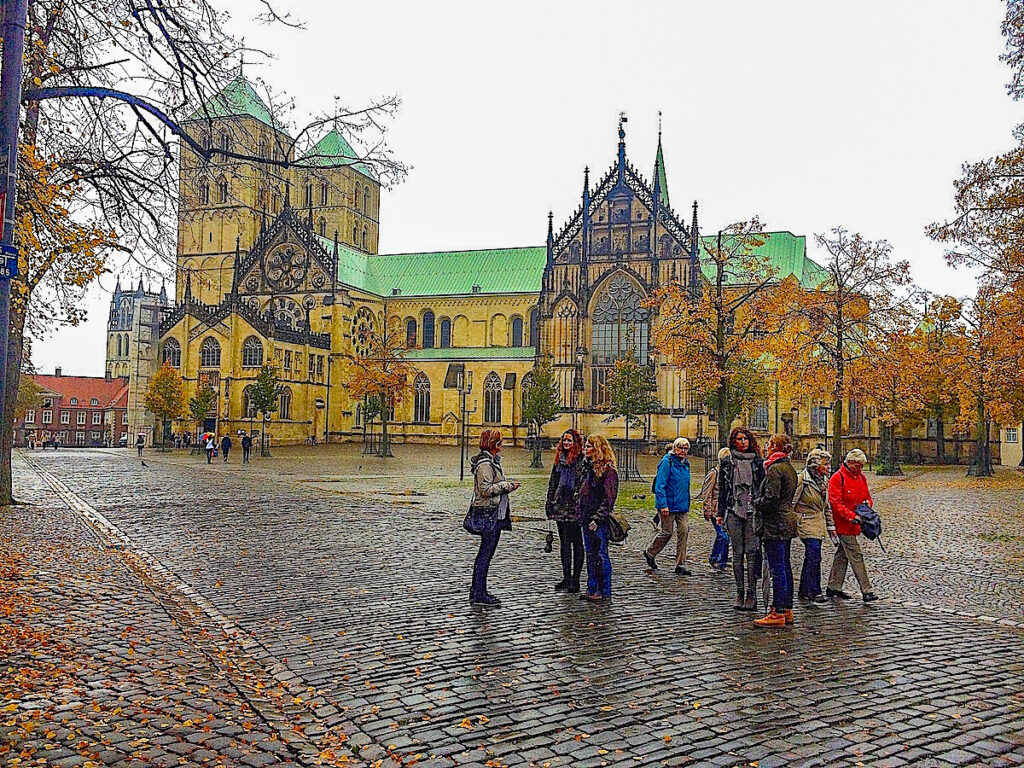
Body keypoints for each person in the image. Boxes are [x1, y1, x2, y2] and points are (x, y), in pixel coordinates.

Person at [468, 429, 520, 606]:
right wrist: (506, 485)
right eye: (500, 442)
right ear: (494, 444)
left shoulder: (492, 462)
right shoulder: (485, 464)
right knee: (485, 554)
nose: (503, 445)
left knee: (485, 553)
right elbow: (485, 489)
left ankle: (478, 590)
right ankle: (479, 593)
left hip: (495, 512)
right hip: (488, 513)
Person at [753, 433, 799, 627]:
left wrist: (756, 502)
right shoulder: (789, 467)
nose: (766, 447)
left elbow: (771, 499)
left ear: (773, 446)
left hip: (775, 523)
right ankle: (787, 608)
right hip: (786, 521)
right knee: (785, 566)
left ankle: (778, 611)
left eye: (768, 444)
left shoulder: (774, 469)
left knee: (777, 568)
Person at [717, 427, 765, 611]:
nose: (743, 442)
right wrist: (720, 513)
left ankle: (752, 594)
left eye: (746, 439)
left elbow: (761, 487)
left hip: (752, 511)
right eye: (739, 439)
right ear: (733, 442)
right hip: (733, 509)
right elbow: (723, 488)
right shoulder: (728, 462)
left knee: (752, 552)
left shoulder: (758, 462)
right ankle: (740, 592)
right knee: (737, 553)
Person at [827, 448, 878, 602]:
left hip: (856, 523)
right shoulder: (837, 478)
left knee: (842, 555)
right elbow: (835, 503)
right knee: (856, 555)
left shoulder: (861, 477)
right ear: (849, 463)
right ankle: (866, 590)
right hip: (843, 524)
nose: (860, 469)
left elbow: (867, 497)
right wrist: (852, 516)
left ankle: (833, 587)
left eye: (861, 466)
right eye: (857, 465)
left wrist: (866, 508)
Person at [578, 434, 619, 602]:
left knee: (601, 555)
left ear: (598, 449)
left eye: (589, 447)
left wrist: (598, 517)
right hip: (586, 517)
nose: (585, 449)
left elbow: (609, 498)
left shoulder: (608, 470)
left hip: (598, 519)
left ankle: (604, 590)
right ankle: (592, 587)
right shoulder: (588, 468)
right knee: (590, 555)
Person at [644, 437, 693, 575]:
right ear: (675, 448)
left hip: (682, 505)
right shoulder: (667, 462)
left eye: (686, 448)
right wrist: (663, 505)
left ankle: (680, 564)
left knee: (684, 531)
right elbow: (660, 485)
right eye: (680, 448)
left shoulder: (686, 463)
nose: (683, 451)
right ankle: (650, 552)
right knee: (667, 532)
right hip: (668, 505)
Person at [545, 429, 585, 593]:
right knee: (564, 543)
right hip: (560, 505)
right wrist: (549, 502)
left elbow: (582, 484)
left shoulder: (581, 461)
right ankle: (566, 577)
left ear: (575, 443)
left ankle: (575, 580)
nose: (566, 443)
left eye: (569, 441)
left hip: (575, 507)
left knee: (577, 543)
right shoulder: (559, 460)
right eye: (564, 441)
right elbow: (553, 482)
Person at [795, 448, 836, 603]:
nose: (828, 467)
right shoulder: (802, 480)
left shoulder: (824, 481)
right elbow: (792, 502)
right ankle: (815, 590)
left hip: (818, 523)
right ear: (816, 465)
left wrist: (831, 526)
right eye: (826, 464)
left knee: (812, 556)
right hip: (804, 520)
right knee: (814, 554)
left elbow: (826, 506)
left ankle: (804, 589)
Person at [700, 447, 731, 571]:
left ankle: (722, 562)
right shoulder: (714, 473)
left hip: (726, 510)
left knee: (727, 537)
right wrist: (706, 509)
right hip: (715, 509)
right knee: (722, 536)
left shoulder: (730, 474)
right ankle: (713, 558)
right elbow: (707, 492)